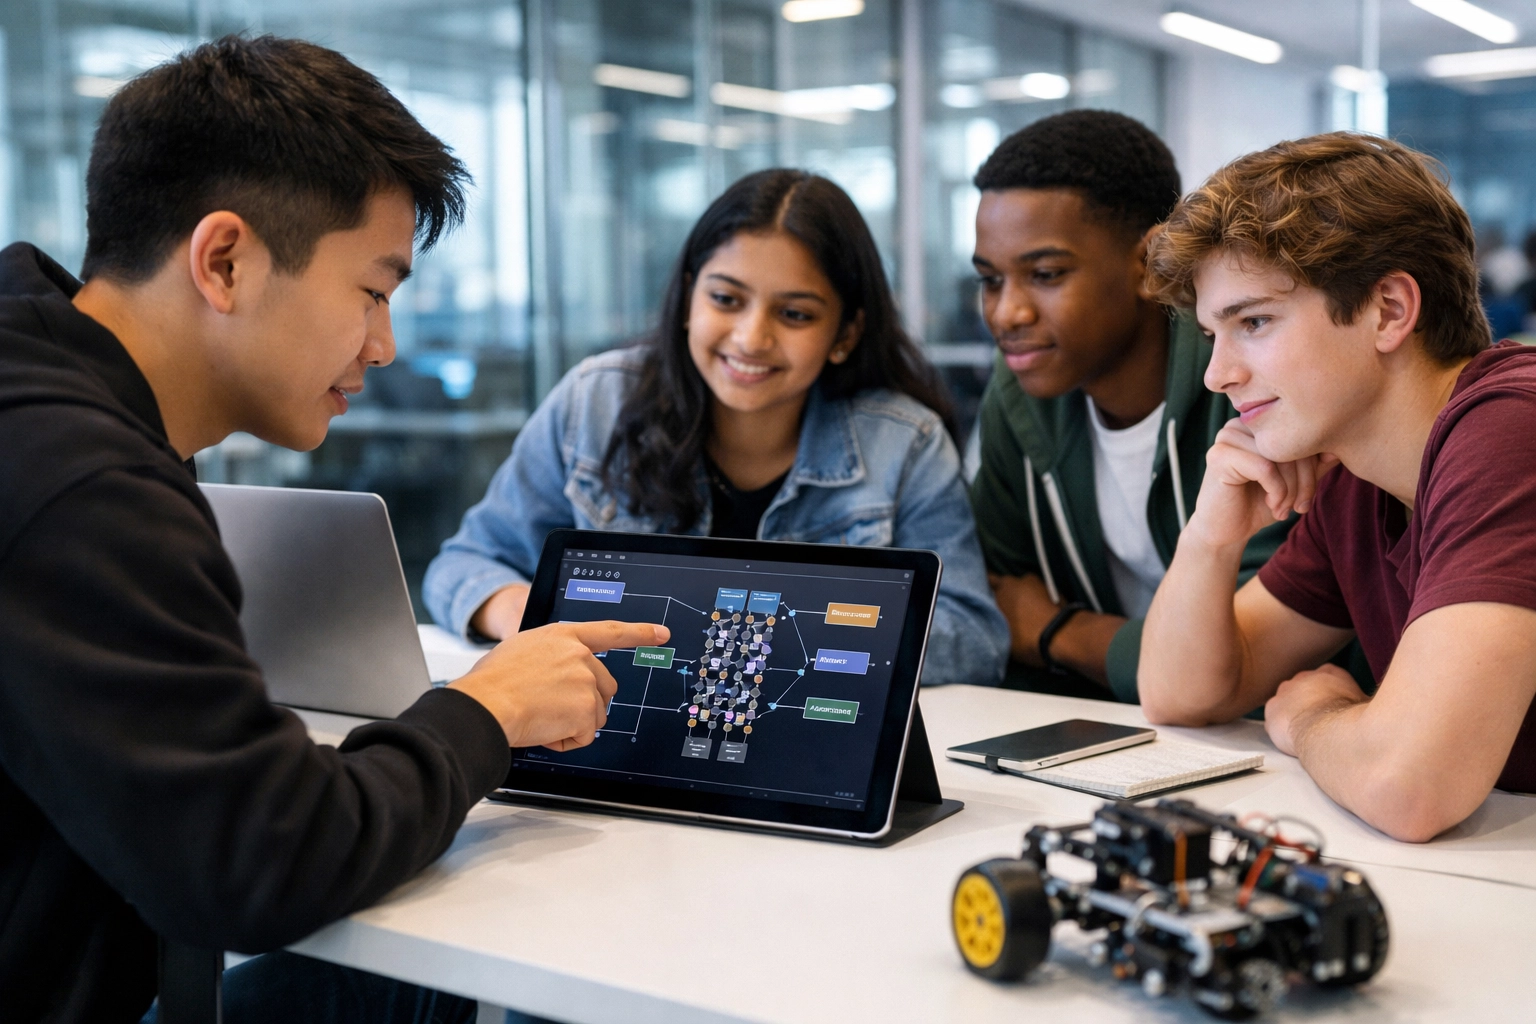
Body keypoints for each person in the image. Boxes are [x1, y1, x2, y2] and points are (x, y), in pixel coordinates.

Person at [0, 36, 666, 1023]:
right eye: (373, 291)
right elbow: (262, 862)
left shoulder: (46, 383)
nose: (385, 345)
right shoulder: (82, 483)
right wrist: (487, 713)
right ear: (223, 260)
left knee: (411, 987)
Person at [424, 169, 1008, 687]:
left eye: (795, 314)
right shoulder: (594, 401)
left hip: (796, 733)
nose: (752, 338)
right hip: (616, 722)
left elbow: (973, 638)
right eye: (727, 299)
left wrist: (763, 644)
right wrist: (538, 618)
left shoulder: (904, 442)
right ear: (687, 298)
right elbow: (465, 565)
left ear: (845, 335)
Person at [1139, 132, 1536, 842]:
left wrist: (1311, 715)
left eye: (1253, 323)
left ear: (1388, 309)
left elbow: (1408, 786)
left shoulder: (1512, 428)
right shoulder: (1357, 475)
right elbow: (1181, 694)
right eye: (1212, 336)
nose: (1216, 374)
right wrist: (1210, 537)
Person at [966, 110, 1293, 701]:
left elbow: (1252, 656)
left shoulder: (1247, 387)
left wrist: (1057, 632)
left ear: (1146, 262)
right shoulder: (1019, 391)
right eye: (990, 280)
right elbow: (997, 600)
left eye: (1044, 274)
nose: (1007, 313)